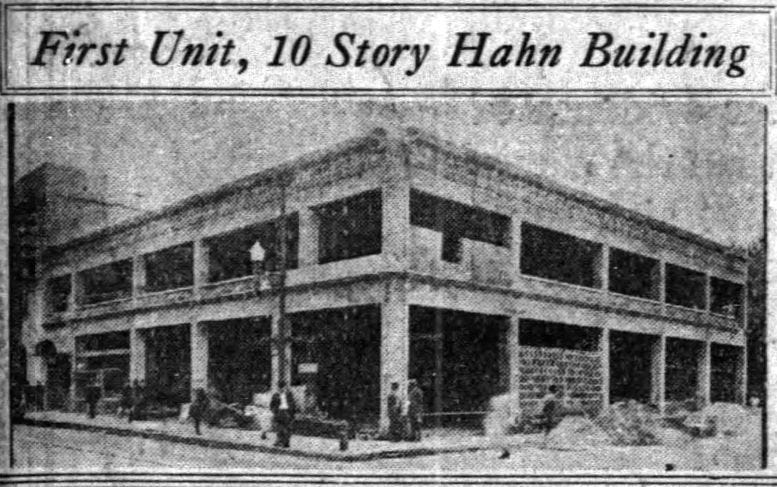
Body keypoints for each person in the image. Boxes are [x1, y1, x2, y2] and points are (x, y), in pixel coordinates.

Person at [270, 381, 296, 448]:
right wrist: (274, 411)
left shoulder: (289, 394)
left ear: (285, 387)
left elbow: (293, 404)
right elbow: (271, 405)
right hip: (279, 412)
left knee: (287, 428)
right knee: (279, 428)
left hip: (287, 412)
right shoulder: (275, 395)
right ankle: (279, 441)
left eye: (282, 387)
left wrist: (292, 413)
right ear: (278, 388)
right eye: (279, 387)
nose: (281, 389)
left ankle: (285, 442)